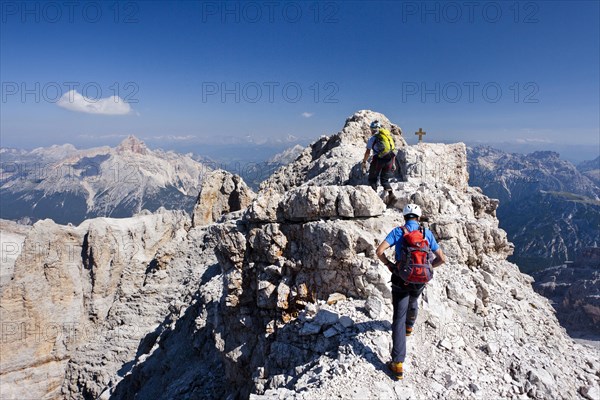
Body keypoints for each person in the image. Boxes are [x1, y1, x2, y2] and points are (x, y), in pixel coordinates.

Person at [375, 203, 446, 380]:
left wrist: (390, 265)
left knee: (398, 317)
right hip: (420, 279)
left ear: (405, 217)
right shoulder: (426, 233)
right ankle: (410, 327)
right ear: (419, 218)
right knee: (414, 300)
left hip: (401, 278)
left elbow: (379, 251)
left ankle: (398, 364)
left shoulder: (398, 232)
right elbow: (442, 258)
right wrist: (429, 267)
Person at [361, 120, 396, 202]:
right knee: (384, 179)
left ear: (372, 129)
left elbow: (368, 152)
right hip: (390, 160)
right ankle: (391, 195)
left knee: (372, 178)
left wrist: (364, 161)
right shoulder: (388, 137)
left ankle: (374, 198)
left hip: (378, 160)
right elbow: (392, 150)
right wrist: (393, 163)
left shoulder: (372, 139)